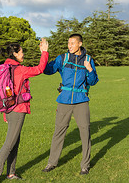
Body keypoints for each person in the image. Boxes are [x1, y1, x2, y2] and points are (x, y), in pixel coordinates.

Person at [0, 39, 49, 183]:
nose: (23, 54)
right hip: (18, 109)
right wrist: (44, 52)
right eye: (21, 52)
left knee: (15, 141)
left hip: (9, 109)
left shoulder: (5, 68)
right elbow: (39, 69)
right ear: (14, 53)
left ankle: (11, 173)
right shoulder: (20, 69)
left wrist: (5, 112)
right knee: (10, 143)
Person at [41, 33, 99, 175]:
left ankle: (85, 165)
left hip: (81, 101)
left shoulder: (88, 59)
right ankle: (52, 163)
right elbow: (47, 70)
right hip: (64, 100)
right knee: (59, 132)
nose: (70, 46)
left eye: (72, 43)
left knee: (85, 132)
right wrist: (44, 53)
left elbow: (93, 81)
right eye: (68, 43)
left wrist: (89, 69)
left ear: (80, 44)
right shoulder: (63, 58)